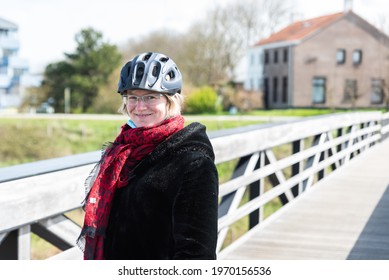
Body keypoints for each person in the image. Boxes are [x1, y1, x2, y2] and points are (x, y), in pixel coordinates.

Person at [77, 52, 219, 260]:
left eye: (150, 97)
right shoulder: (123, 151)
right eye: (132, 97)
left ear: (171, 100)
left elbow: (197, 256)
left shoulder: (193, 163)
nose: (140, 106)